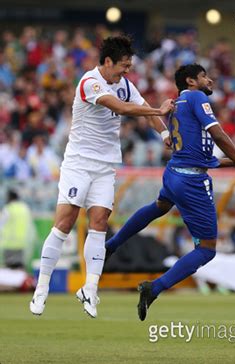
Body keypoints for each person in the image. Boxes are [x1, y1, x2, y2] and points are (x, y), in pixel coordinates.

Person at [29, 35, 175, 318]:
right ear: (107, 62)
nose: (126, 71)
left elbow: (143, 110)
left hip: (106, 166)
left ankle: (90, 289)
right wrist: (158, 109)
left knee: (99, 223)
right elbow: (121, 108)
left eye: (129, 65)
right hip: (79, 163)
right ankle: (42, 286)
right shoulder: (89, 82)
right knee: (65, 222)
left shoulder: (125, 85)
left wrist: (165, 133)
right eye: (123, 65)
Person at [104, 63, 235, 321]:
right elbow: (218, 134)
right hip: (191, 181)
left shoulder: (177, 105)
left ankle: (112, 245)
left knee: (160, 206)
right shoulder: (197, 97)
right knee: (207, 249)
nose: (209, 80)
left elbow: (198, 155)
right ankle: (154, 288)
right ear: (190, 81)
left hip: (175, 172)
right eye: (203, 76)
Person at [0, 189, 36, 269]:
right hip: (22, 244)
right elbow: (30, 226)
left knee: (9, 270)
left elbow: (1, 224)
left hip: (9, 244)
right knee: (20, 269)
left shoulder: (8, 209)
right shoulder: (25, 208)